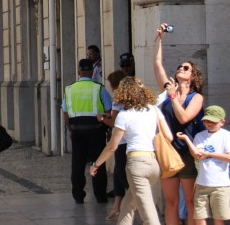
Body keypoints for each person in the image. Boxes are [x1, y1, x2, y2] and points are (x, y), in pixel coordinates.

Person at [90, 76, 173, 225]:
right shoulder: (154, 110)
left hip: (136, 165)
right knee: (127, 205)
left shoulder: (124, 116)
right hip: (153, 164)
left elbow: (112, 146)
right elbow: (169, 137)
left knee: (149, 217)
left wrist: (96, 164)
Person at [154, 22, 206, 225]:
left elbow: (184, 118)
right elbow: (157, 65)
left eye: (186, 68)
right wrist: (159, 39)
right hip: (169, 151)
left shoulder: (196, 97)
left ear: (193, 76)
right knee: (171, 201)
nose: (180, 69)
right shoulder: (170, 90)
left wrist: (173, 96)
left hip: (187, 151)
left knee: (191, 201)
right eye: (179, 67)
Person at [63, 58, 113, 204]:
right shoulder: (99, 88)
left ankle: (78, 196)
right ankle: (100, 196)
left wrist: (70, 129)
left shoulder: (69, 89)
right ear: (91, 72)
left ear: (79, 72)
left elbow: (65, 113)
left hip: (77, 131)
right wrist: (109, 128)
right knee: (98, 162)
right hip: (96, 131)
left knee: (77, 164)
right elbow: (108, 110)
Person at [176, 105, 230, 225]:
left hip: (221, 185)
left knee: (219, 217)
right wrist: (187, 139)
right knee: (199, 216)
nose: (209, 124)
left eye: (213, 121)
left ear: (222, 122)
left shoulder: (226, 135)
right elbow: (197, 155)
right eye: (206, 121)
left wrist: (209, 154)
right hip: (202, 184)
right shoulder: (200, 136)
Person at [100, 69, 128, 219]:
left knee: (121, 173)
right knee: (118, 172)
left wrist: (102, 119)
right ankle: (116, 206)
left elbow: (114, 123)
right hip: (130, 141)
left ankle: (122, 204)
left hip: (121, 141)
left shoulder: (118, 99)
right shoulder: (132, 98)